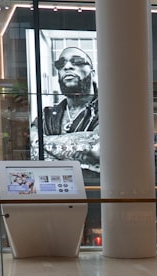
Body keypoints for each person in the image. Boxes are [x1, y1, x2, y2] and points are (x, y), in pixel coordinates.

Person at [32, 45, 100, 178]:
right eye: (60, 64)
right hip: (53, 188)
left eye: (77, 61)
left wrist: (41, 142)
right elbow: (31, 147)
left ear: (92, 72)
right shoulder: (48, 115)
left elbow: (98, 148)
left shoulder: (110, 110)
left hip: (97, 190)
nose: (67, 67)